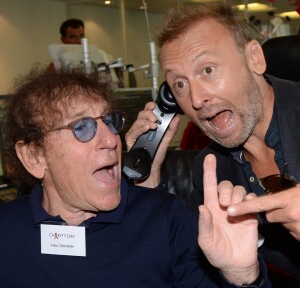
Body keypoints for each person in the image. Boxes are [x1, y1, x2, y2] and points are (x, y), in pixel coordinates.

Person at [0, 65, 270, 287]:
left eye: (109, 122)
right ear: (34, 157)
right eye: (81, 127)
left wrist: (243, 276)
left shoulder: (166, 219)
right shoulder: (6, 230)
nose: (111, 140)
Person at [126, 1, 300, 287]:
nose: (196, 99)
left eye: (207, 70)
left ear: (254, 57)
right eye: (179, 85)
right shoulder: (210, 170)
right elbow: (171, 264)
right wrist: (145, 184)